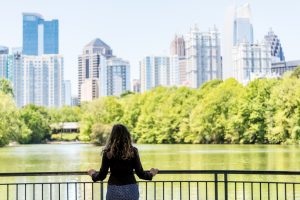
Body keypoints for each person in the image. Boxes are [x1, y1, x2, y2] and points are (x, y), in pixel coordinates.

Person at [88, 124, 159, 200]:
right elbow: (141, 174)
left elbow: (102, 175)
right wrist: (151, 173)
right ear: (127, 136)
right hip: (130, 190)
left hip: (113, 190)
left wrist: (93, 174)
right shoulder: (133, 151)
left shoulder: (108, 152)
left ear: (112, 136)